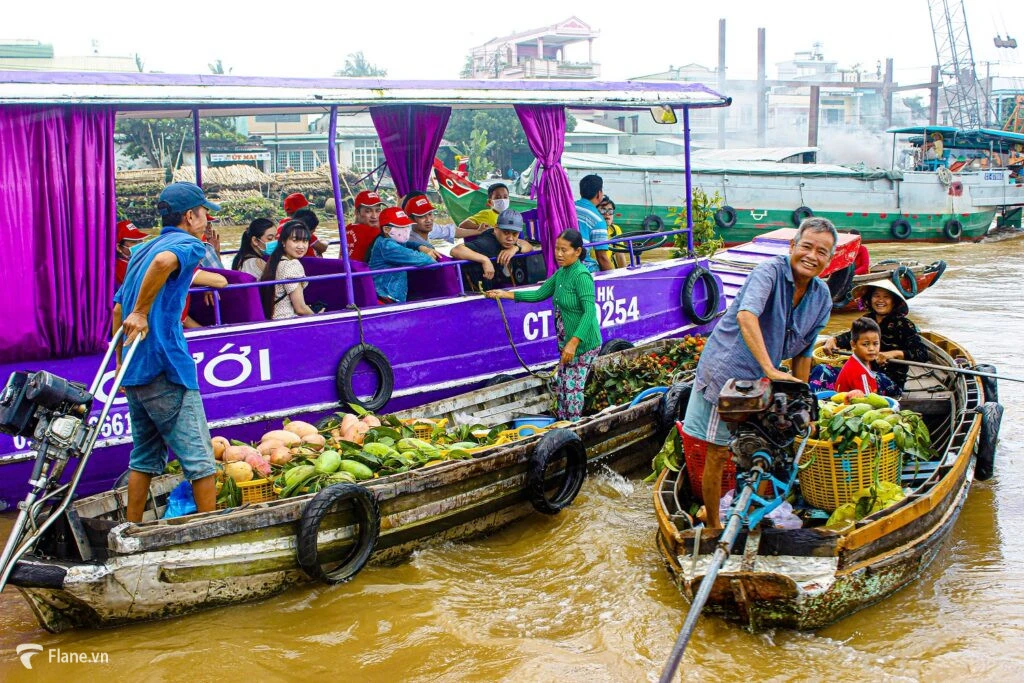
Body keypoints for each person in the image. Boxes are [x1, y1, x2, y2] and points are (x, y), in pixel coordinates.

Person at [683, 217, 837, 529]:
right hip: (727, 373)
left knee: (763, 448)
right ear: (792, 246)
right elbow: (746, 315)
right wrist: (769, 368)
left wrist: (802, 399)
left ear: (829, 260)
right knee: (716, 452)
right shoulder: (769, 272)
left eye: (822, 252)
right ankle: (713, 525)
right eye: (806, 246)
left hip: (766, 381)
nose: (812, 256)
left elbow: (804, 354)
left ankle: (752, 513)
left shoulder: (821, 297)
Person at [111, 182, 220, 522]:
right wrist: (142, 312)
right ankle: (210, 536)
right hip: (166, 365)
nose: (206, 221)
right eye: (204, 214)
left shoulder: (140, 249)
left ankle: (130, 529)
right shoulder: (187, 243)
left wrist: (119, 366)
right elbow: (164, 262)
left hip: (136, 369)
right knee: (201, 462)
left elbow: (117, 311)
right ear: (190, 216)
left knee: (144, 457)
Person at [485, 229, 602, 421]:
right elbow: (539, 294)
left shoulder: (582, 276)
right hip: (566, 343)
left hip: (583, 344)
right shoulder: (562, 273)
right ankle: (563, 422)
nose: (558, 254)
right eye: (557, 249)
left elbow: (589, 313)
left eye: (564, 250)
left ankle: (573, 428)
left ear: (578, 251)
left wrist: (574, 343)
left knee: (573, 389)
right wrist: (505, 294)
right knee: (563, 385)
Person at [823, 278, 928, 392]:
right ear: (870, 299)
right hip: (861, 372)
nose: (880, 300)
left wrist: (893, 354)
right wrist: (833, 340)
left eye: (886, 297)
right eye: (876, 296)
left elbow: (921, 354)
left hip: (888, 380)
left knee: (862, 377)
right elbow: (850, 338)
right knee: (823, 370)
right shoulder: (866, 320)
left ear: (894, 301)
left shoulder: (904, 325)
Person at [450, 209, 534, 288]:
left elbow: (528, 246)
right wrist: (485, 260)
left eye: (515, 234)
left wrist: (515, 248)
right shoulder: (486, 243)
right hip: (474, 291)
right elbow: (455, 250)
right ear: (496, 229)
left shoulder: (507, 241)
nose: (510, 238)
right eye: (506, 233)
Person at [368, 207, 437, 303]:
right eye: (401, 227)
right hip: (386, 298)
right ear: (387, 229)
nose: (406, 230)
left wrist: (420, 247)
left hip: (391, 295)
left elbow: (408, 244)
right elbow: (424, 260)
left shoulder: (391, 241)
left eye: (407, 226)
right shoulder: (387, 246)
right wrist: (430, 257)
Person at [260, 220, 318, 319]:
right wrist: (319, 317)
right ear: (283, 241)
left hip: (274, 318)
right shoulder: (291, 265)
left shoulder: (276, 260)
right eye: (295, 240)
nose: (301, 246)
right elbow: (300, 308)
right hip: (287, 321)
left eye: (305, 241)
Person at [403, 193, 481, 246]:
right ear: (410, 220)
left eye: (430, 214)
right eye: (421, 216)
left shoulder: (429, 228)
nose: (428, 220)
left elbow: (451, 231)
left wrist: (479, 231)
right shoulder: (404, 237)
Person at [833, 317, 881, 394]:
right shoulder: (860, 374)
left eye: (875, 343)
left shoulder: (862, 361)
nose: (871, 348)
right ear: (853, 345)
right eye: (865, 344)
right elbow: (866, 401)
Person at [575, 174, 612, 272]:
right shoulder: (598, 220)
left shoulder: (570, 207)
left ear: (581, 192)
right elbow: (602, 258)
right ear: (599, 194)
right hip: (582, 267)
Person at [346, 190, 387, 263]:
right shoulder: (373, 232)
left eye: (378, 211)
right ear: (357, 213)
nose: (374, 216)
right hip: (363, 273)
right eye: (368, 211)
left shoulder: (347, 228)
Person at [114, 220, 153, 285]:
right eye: (133, 242)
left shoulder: (134, 261)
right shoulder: (120, 269)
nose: (140, 244)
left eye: (140, 240)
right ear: (118, 247)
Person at [597, 195, 628, 269]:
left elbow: (620, 256)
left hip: (610, 270)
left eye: (610, 211)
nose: (607, 214)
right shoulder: (590, 231)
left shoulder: (615, 230)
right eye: (603, 210)